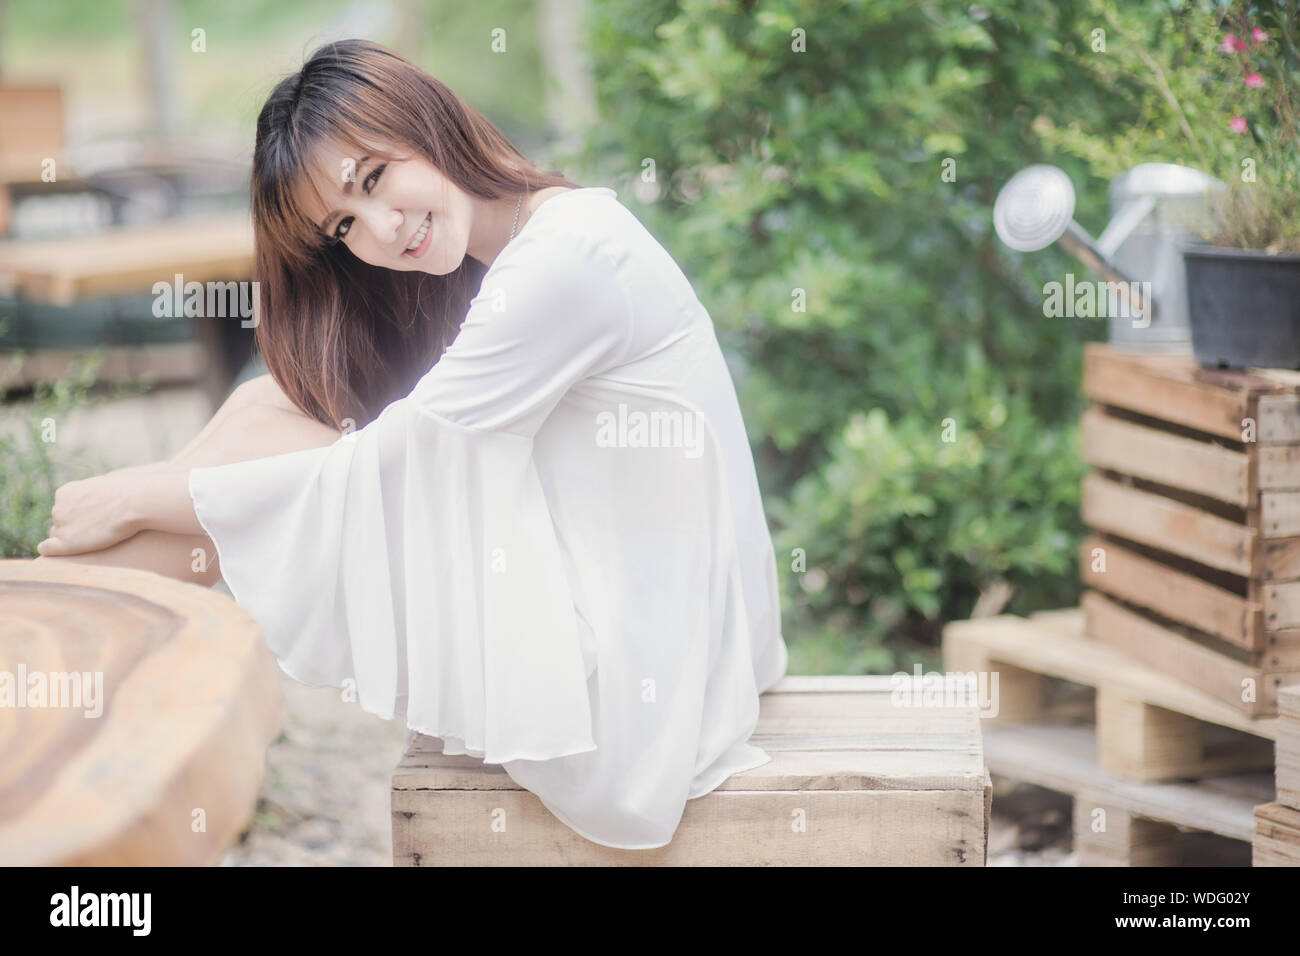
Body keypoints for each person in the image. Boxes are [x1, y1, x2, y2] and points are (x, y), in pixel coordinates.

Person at [37, 39, 788, 851]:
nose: (382, 231)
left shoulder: (568, 259)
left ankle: (41, 675)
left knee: (256, 441)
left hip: (631, 706)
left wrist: (131, 494)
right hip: (664, 648)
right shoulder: (546, 237)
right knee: (261, 411)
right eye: (345, 225)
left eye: (374, 177)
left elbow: (403, 461)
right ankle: (45, 678)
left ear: (422, 120)